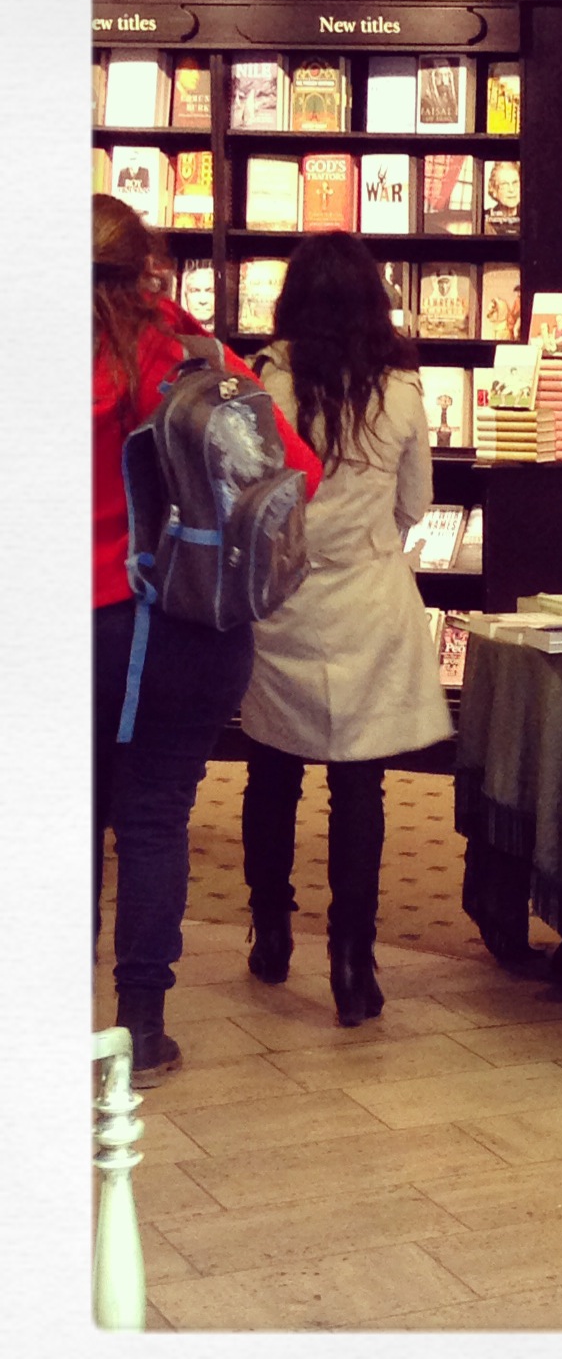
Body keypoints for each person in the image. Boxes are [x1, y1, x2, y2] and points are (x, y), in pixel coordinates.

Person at [93, 194, 321, 1084]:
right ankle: (142, 1030)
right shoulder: (193, 356)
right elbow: (300, 473)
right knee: (156, 819)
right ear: (147, 267)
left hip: (65, 633)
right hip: (187, 627)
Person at [240, 232, 450, 1025]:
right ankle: (353, 962)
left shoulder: (263, 387)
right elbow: (414, 504)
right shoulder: (401, 392)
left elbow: (246, 499)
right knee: (360, 786)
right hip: (367, 600)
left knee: (271, 772)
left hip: (283, 602)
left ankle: (270, 933)